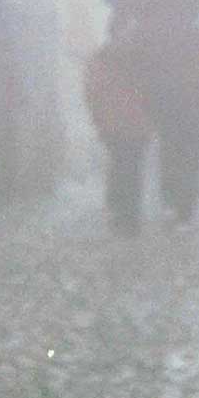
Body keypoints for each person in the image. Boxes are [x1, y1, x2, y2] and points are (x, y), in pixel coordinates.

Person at [130, 1, 199, 225]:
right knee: (192, 155)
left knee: (169, 150)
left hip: (163, 104)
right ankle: (186, 207)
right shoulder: (196, 34)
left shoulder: (150, 33)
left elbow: (139, 67)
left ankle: (169, 200)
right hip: (192, 104)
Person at [83, 12, 153, 235]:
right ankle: (126, 216)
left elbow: (92, 91)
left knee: (125, 166)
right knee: (128, 167)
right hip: (124, 123)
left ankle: (123, 213)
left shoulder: (104, 57)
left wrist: (99, 118)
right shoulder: (138, 58)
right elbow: (93, 91)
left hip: (127, 123)